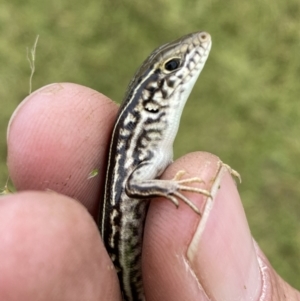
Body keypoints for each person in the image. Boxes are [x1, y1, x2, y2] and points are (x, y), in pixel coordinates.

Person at [1, 83, 299, 300]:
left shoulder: (139, 151)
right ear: (150, 106)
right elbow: (131, 185)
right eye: (172, 68)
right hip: (128, 281)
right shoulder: (137, 152)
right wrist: (173, 187)